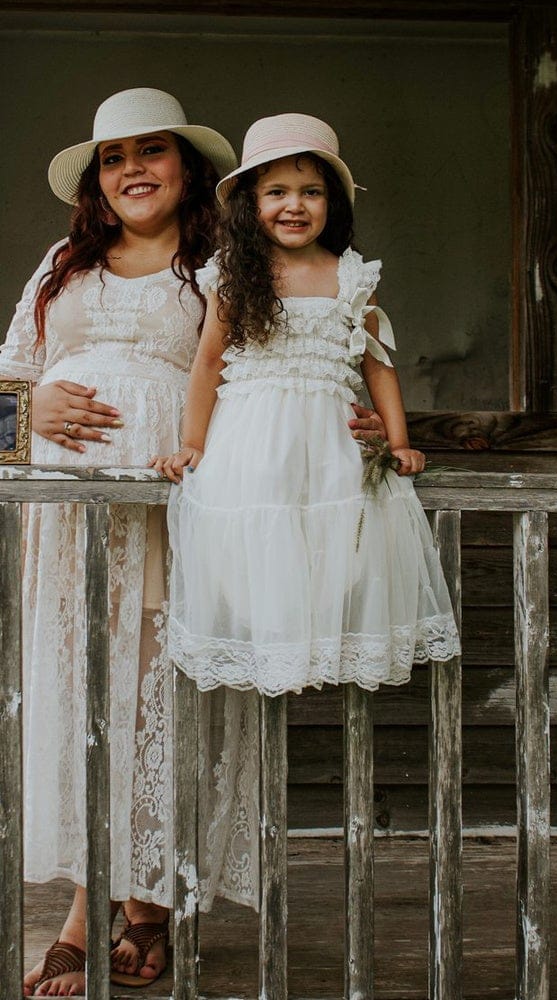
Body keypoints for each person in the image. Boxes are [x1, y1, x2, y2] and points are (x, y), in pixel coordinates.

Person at [1, 89, 386, 998]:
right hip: (72, 531)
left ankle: (101, 916)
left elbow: (300, 358)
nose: (132, 168)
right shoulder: (65, 264)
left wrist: (357, 422)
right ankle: (133, 908)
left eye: (151, 151)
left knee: (161, 704)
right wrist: (32, 406)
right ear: (97, 179)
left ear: (188, 168)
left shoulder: (225, 259)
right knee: (90, 699)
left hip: (188, 516)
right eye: (112, 156)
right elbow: (5, 378)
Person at [156, 113, 461, 698]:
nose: (293, 206)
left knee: (335, 548)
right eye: (276, 192)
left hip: (330, 446)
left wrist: (397, 443)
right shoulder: (234, 274)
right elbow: (208, 364)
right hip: (252, 443)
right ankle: (274, 649)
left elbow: (378, 364)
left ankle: (320, 644)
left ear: (332, 203)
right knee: (260, 548)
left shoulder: (350, 274)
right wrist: (192, 441)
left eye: (311, 191)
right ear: (250, 202)